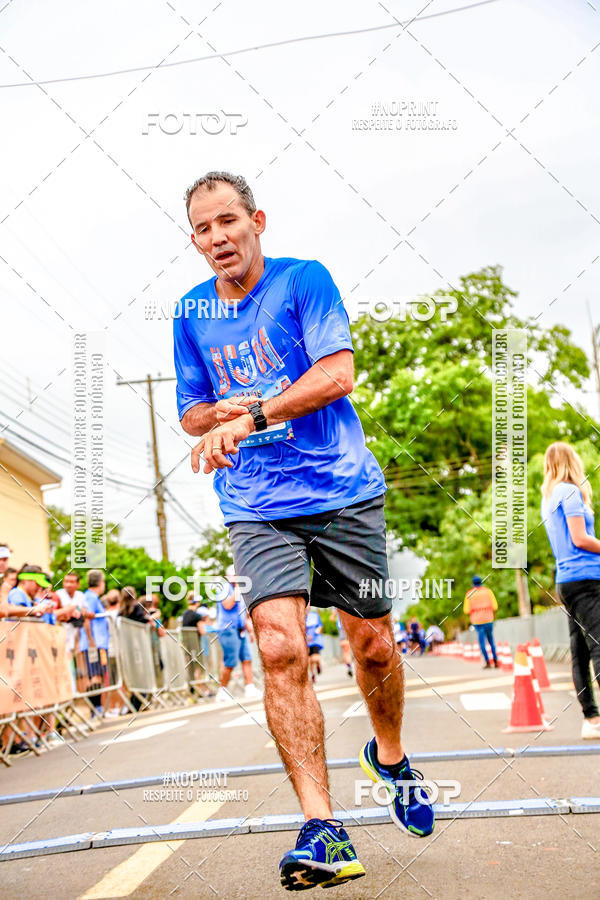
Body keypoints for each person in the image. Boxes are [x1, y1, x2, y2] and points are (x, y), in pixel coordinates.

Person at [175, 171, 434, 890]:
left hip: (342, 488)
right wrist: (217, 417)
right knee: (282, 647)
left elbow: (339, 374)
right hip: (256, 502)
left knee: (374, 647)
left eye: (229, 221)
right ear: (193, 240)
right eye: (203, 228)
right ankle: (323, 826)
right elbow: (192, 410)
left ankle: (388, 756)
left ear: (257, 221)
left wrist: (253, 414)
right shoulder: (190, 312)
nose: (219, 237)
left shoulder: (304, 282)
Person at [541, 441, 600, 740]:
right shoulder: (571, 491)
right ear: (572, 462)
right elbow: (580, 538)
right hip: (588, 578)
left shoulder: (549, 498)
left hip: (566, 580)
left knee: (579, 650)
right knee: (599, 645)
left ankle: (591, 719)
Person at [214, 566, 261, 702]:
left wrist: (250, 630)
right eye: (235, 575)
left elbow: (243, 612)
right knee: (230, 662)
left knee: (247, 659)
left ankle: (250, 687)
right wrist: (237, 589)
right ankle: (222, 690)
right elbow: (227, 605)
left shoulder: (240, 590)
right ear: (228, 576)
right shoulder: (223, 588)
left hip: (240, 630)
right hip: (227, 629)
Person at [83, 570, 110, 716]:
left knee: (99, 674)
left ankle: (97, 708)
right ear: (100, 583)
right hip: (95, 643)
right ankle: (96, 708)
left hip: (99, 642)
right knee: (95, 676)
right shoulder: (91, 597)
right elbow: (87, 618)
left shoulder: (92, 597)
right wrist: (91, 641)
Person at [463, 576, 499, 669]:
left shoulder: (469, 594)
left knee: (482, 642)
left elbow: (466, 610)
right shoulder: (488, 591)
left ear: (473, 584)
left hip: (477, 621)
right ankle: (495, 661)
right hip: (488, 619)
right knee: (491, 641)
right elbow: (495, 606)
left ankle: (487, 662)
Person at [181, 592, 211, 696]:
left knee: (190, 667)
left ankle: (192, 690)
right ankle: (201, 690)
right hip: (195, 645)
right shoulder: (196, 616)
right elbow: (203, 631)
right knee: (199, 666)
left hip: (186, 645)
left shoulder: (184, 614)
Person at [330, 609, 353, 677]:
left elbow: (332, 618)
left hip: (342, 628)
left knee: (346, 650)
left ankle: (349, 667)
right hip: (352, 627)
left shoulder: (336, 603)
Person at [305, 606, 324, 684]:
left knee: (315, 659)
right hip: (306, 642)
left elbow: (320, 625)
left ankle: (318, 664)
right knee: (309, 661)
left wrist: (317, 630)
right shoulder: (301, 616)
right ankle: (313, 674)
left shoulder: (315, 615)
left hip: (315, 640)